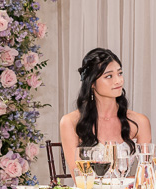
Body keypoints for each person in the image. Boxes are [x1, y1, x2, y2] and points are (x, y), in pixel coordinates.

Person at [59, 48, 151, 181]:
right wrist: (127, 181)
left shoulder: (140, 122)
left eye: (120, 73)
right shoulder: (70, 122)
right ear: (91, 83)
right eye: (109, 76)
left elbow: (146, 176)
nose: (118, 81)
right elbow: (80, 178)